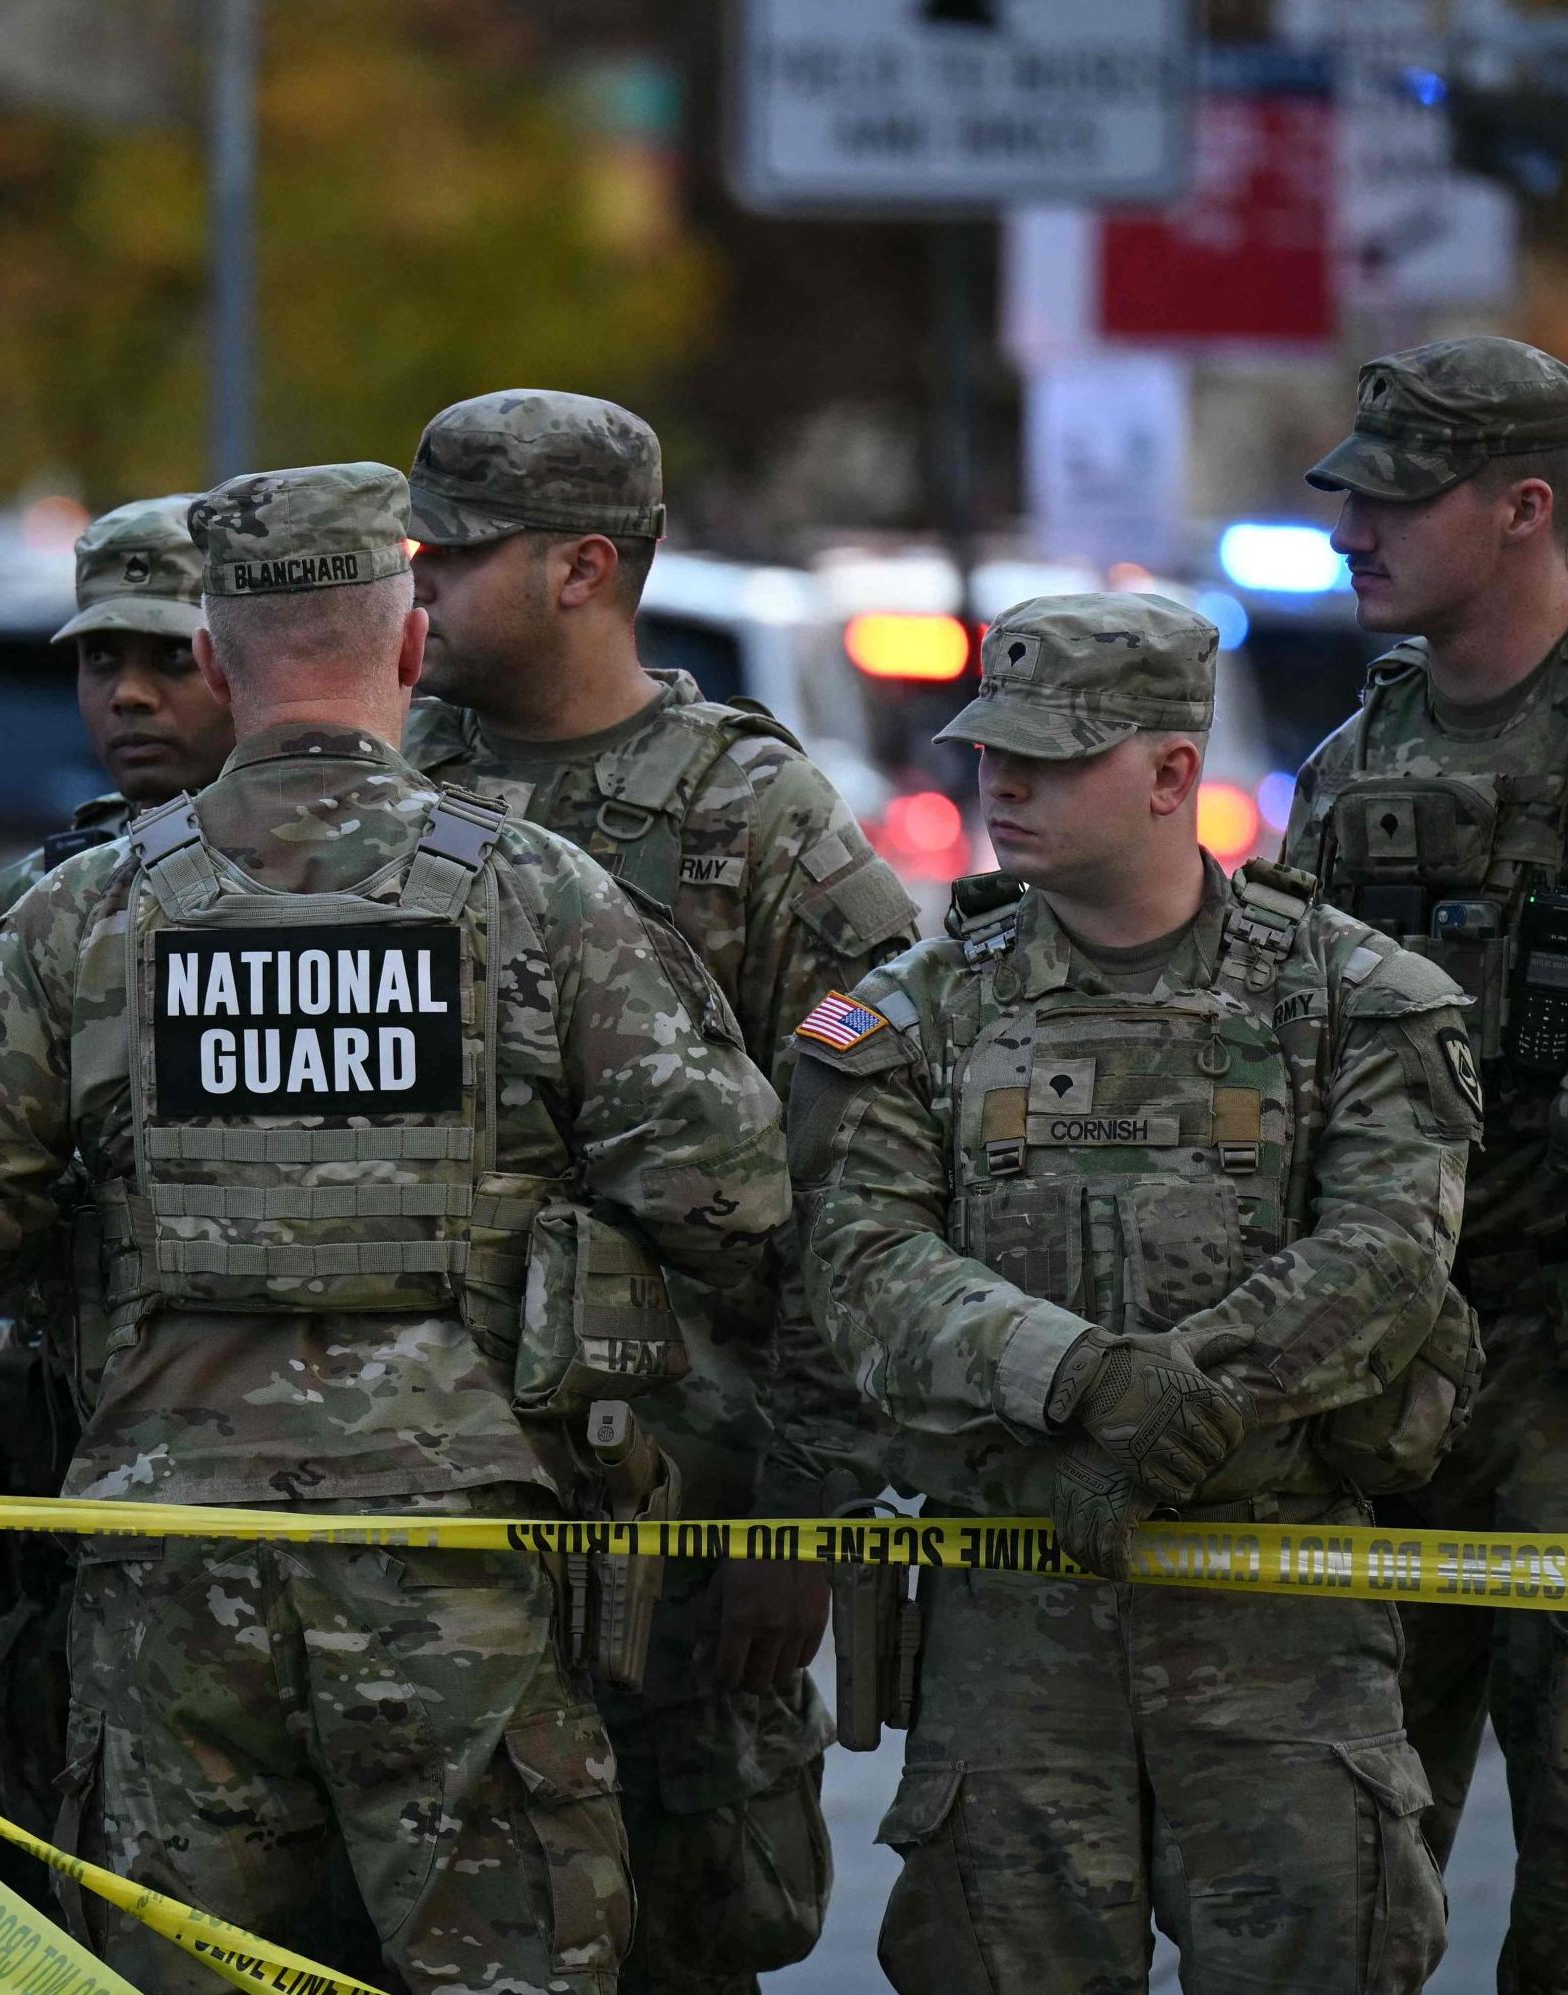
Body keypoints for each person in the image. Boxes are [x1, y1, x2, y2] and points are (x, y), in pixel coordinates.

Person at [0, 462, 791, 1993]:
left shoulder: (79, 917)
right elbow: (732, 1191)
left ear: (217, 661)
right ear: (411, 644)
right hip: (455, 1556)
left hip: (168, 1561)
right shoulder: (542, 900)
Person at [794, 593, 1477, 1993]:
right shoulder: (915, 1013)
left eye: (1056, 756)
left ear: (1174, 773)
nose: (1008, 784)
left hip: (1278, 1624)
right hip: (1014, 1624)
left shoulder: (1356, 1000)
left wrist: (1184, 1403)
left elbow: (1389, 1253)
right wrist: (1084, 1379)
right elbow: (864, 1263)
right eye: (997, 751)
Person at [403, 387, 918, 1992]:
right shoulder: (388, 784)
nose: (418, 590)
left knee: (687, 1923)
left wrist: (804, 1507)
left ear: (582, 567)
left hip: (674, 1511)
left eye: (457, 556)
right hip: (430, 1495)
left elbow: (868, 1176)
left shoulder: (751, 819)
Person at [1285, 335, 1568, 1993]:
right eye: (1350, 496)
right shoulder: (1353, 762)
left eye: (1397, 498)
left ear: (1523, 507)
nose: (1351, 531)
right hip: (1395, 1364)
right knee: (1333, 1855)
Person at [0, 493, 230, 1923]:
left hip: (318, 1541)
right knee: (71, 1913)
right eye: (98, 661)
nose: (126, 693)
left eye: (168, 655)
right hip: (63, 1530)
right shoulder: (15, 920)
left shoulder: (387, 889)